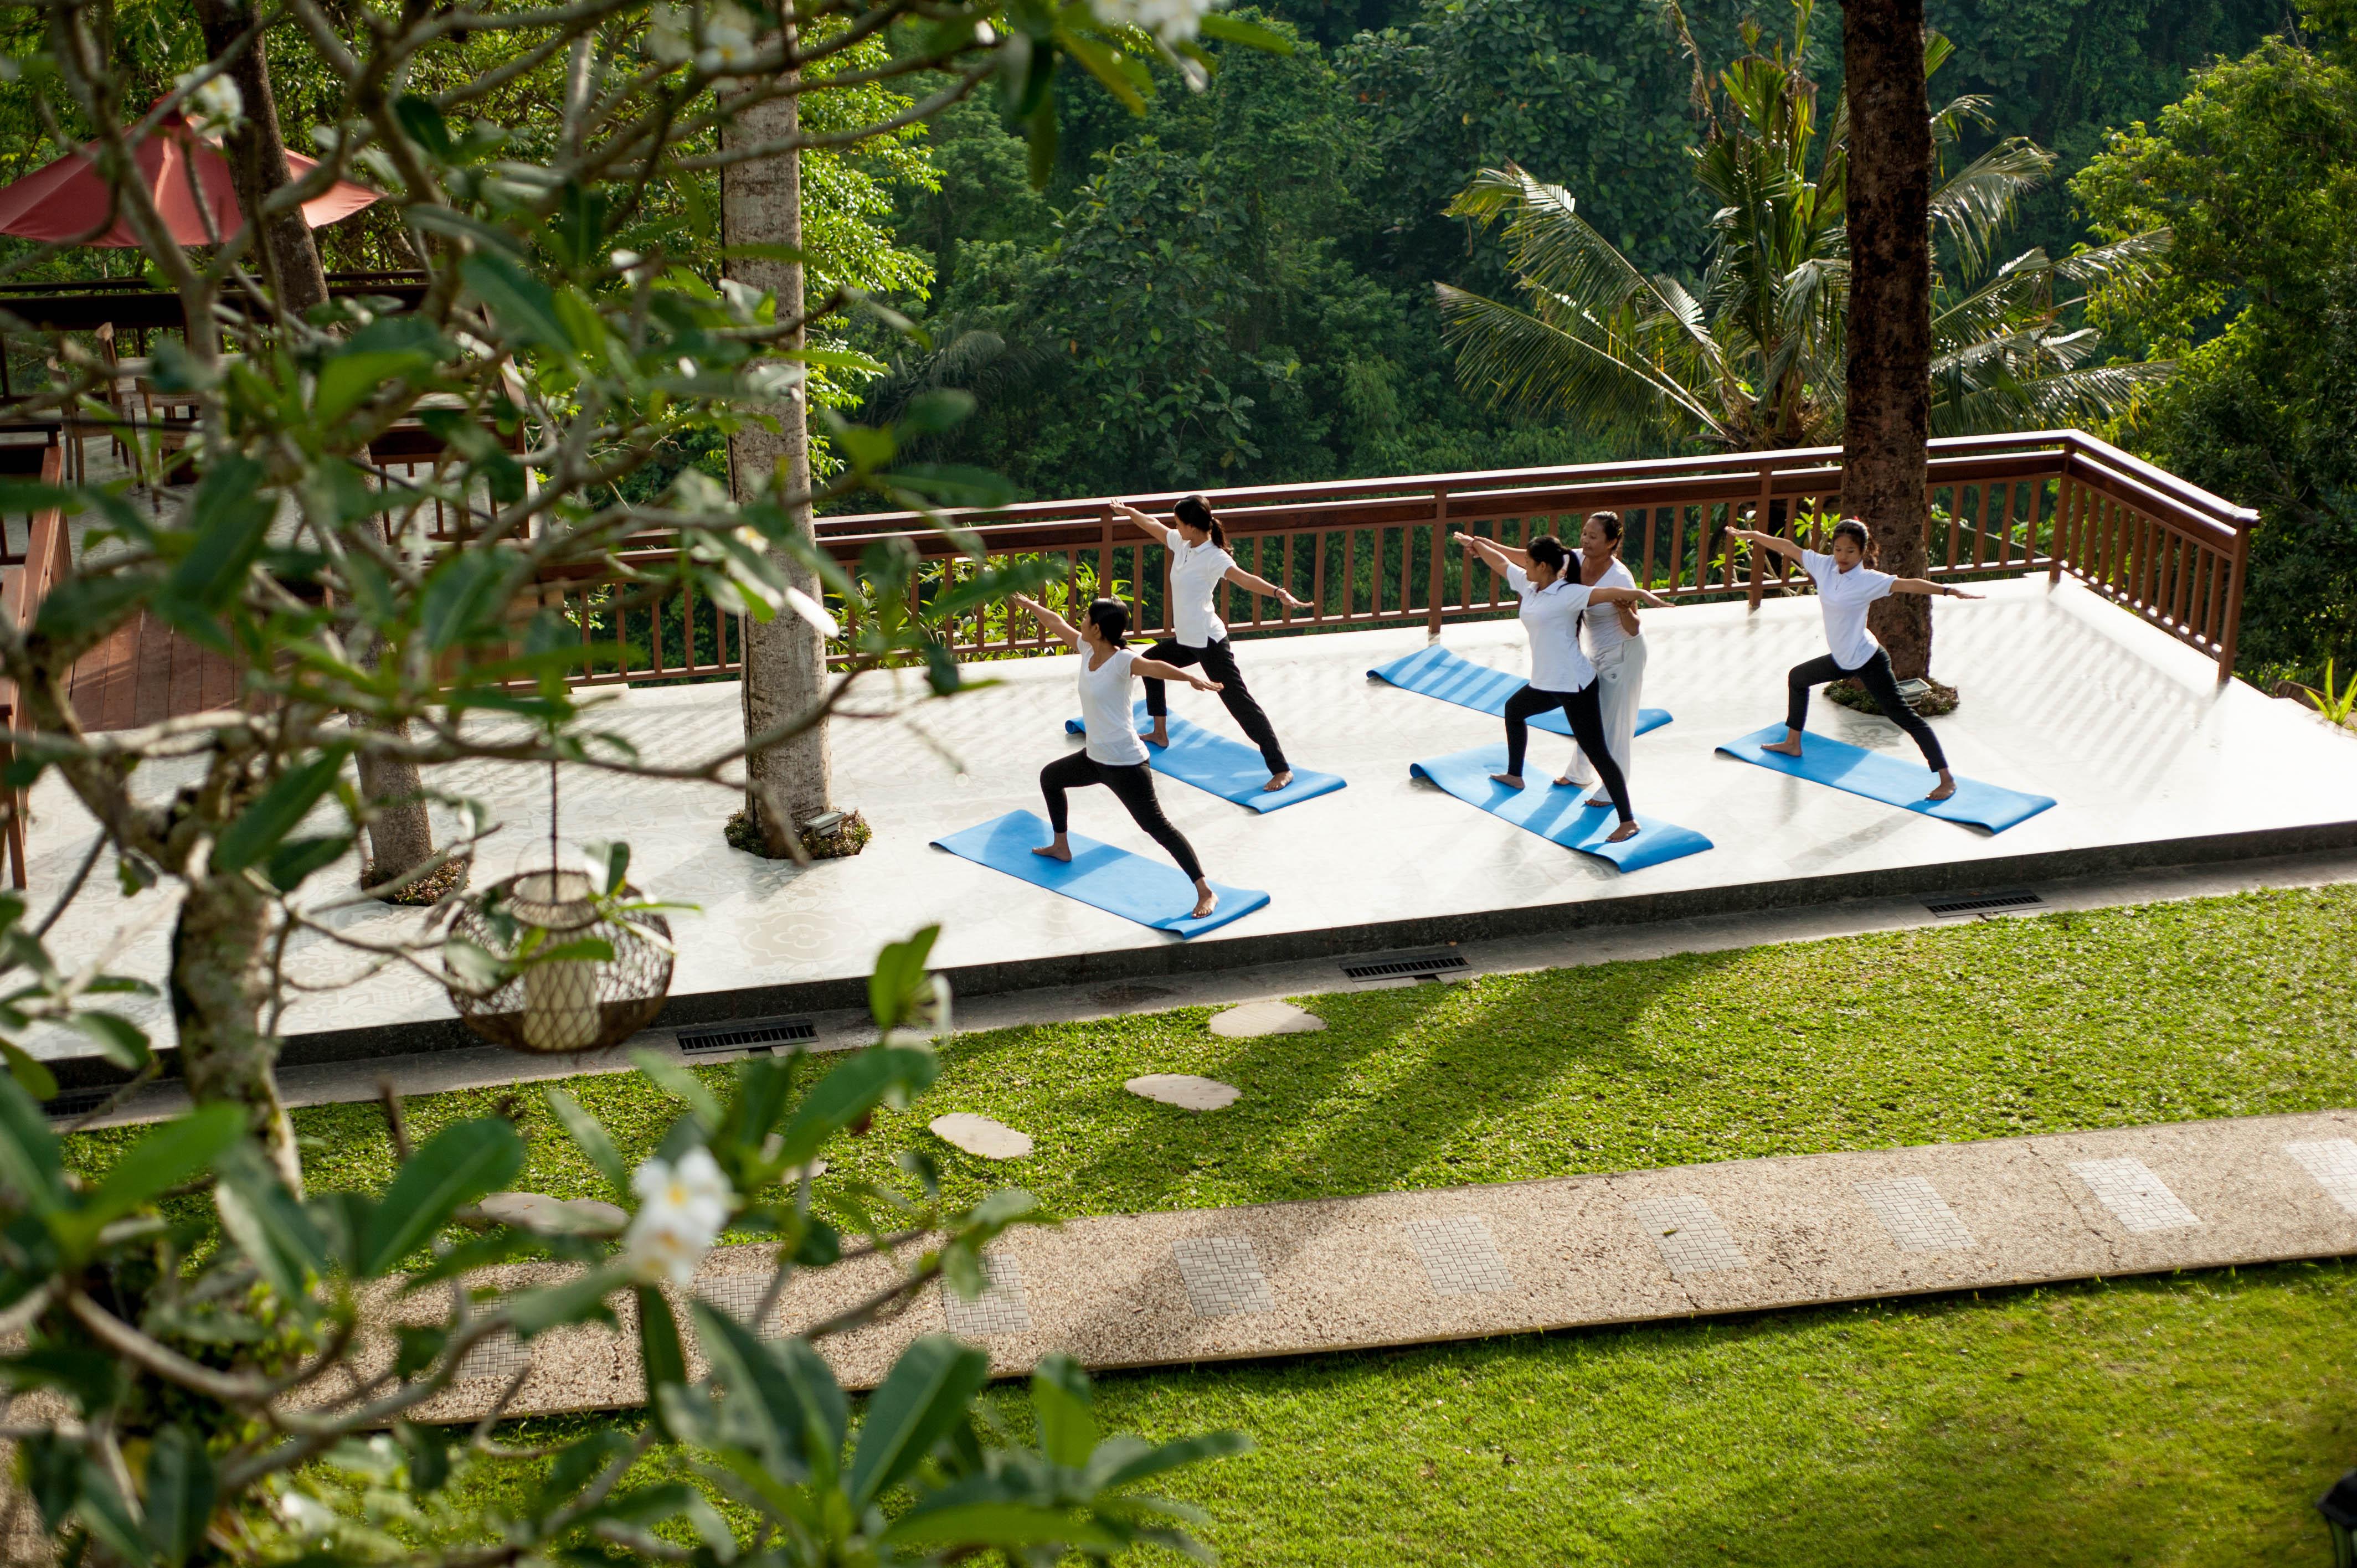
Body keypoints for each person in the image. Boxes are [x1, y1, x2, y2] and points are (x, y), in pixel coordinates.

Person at [1727, 518, 1983, 802]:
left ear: (1862, 552)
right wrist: (1754, 534)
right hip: (1842, 658)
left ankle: (1947, 779)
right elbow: (1787, 547)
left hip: (1868, 659)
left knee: (1903, 716)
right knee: (1798, 678)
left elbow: (1909, 584)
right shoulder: (1824, 566)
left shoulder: (1868, 581)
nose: (1843, 556)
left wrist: (1949, 590)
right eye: (1838, 549)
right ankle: (1792, 743)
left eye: (1850, 551)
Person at [1011, 592, 1226, 919]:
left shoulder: (1122, 661)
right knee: (1050, 778)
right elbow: (1056, 623)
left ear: (1098, 629)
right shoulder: (1086, 649)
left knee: (1157, 827)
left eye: (1086, 618)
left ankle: (1205, 891)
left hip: (1126, 765)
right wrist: (1030, 606)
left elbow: (1155, 666)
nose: (1080, 621)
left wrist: (1192, 678)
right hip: (1094, 758)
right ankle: (1061, 846)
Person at [1450, 530, 1670, 843]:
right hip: (1546, 682)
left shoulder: (1569, 593)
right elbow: (1500, 563)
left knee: (1598, 752)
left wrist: (1644, 595)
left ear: (1543, 566)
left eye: (1528, 562)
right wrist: (1477, 545)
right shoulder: (1532, 587)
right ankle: (1515, 775)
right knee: (1514, 710)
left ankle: (1628, 820)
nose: (1523, 566)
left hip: (1575, 685)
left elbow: (1607, 593)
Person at [1112, 496, 1308, 792]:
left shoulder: (1215, 557)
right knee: (1152, 666)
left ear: (1192, 527)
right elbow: (1152, 525)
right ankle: (1160, 733)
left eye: (1179, 524)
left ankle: (1281, 769)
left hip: (1209, 642)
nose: (1174, 528)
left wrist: (1278, 592)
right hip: (1187, 640)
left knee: (1241, 706)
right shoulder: (1183, 543)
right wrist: (1129, 512)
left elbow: (1244, 579)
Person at [1548, 510, 1647, 806]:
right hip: (1596, 654)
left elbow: (1634, 628)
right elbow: (1534, 557)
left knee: (1616, 727)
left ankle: (1613, 788)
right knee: (1587, 717)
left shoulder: (1620, 577)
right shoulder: (1576, 559)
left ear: (1611, 542)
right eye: (1584, 534)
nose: (1586, 540)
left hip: (1623, 654)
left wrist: (1621, 610)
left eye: (1594, 537)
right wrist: (1485, 546)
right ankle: (1579, 773)